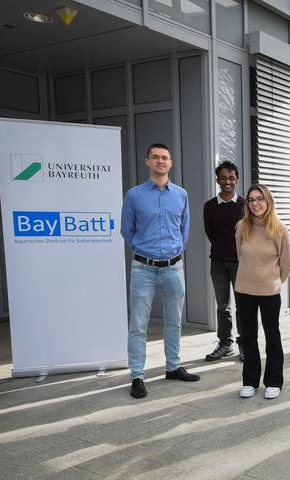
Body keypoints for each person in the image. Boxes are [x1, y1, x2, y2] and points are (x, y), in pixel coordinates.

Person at [121, 143, 199, 399]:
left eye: (164, 158)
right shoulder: (134, 195)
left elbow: (184, 229)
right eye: (155, 157)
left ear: (171, 163)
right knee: (139, 324)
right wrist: (146, 251)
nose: (160, 161)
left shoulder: (181, 195)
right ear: (147, 161)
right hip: (143, 268)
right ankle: (137, 376)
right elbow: (127, 230)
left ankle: (173, 366)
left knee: (174, 321)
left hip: (173, 267)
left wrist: (174, 252)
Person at [235, 184, 290, 400]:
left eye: (260, 199)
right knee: (248, 337)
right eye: (251, 200)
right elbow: (239, 255)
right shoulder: (241, 227)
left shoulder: (279, 229)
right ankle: (250, 381)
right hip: (244, 290)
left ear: (268, 201)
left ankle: (274, 381)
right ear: (247, 204)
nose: (256, 203)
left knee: (272, 336)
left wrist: (274, 281)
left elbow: (286, 262)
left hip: (269, 292)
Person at [203, 161, 245, 362]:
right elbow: (210, 232)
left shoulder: (245, 205)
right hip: (218, 263)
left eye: (231, 178)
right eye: (223, 178)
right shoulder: (210, 206)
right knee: (222, 305)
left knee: (243, 304)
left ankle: (245, 342)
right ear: (217, 180)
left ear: (236, 180)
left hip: (241, 263)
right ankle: (225, 343)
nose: (227, 181)